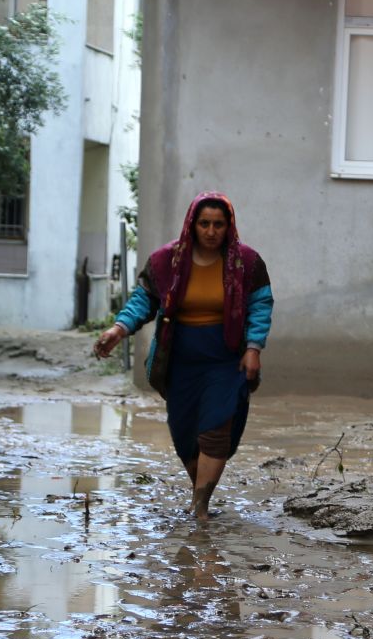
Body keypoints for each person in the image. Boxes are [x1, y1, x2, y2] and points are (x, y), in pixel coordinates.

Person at [95, 191, 273, 521]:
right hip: (179, 361)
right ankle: (199, 495)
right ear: (192, 225)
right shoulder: (166, 262)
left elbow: (260, 306)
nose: (210, 231)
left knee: (215, 432)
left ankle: (201, 508)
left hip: (225, 359)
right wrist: (118, 330)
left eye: (218, 224)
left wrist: (253, 348)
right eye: (204, 223)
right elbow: (143, 302)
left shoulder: (246, 263)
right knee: (185, 436)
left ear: (229, 226)